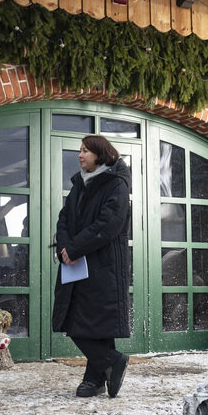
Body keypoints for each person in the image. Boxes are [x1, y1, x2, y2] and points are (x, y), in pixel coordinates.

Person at [53, 135, 132, 398]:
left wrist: (75, 248)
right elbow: (64, 218)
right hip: (75, 263)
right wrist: (65, 247)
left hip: (103, 266)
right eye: (80, 150)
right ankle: (99, 374)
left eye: (85, 151)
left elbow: (109, 224)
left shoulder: (116, 184)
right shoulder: (79, 184)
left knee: (91, 324)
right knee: (78, 320)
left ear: (100, 154)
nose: (80, 155)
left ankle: (107, 365)